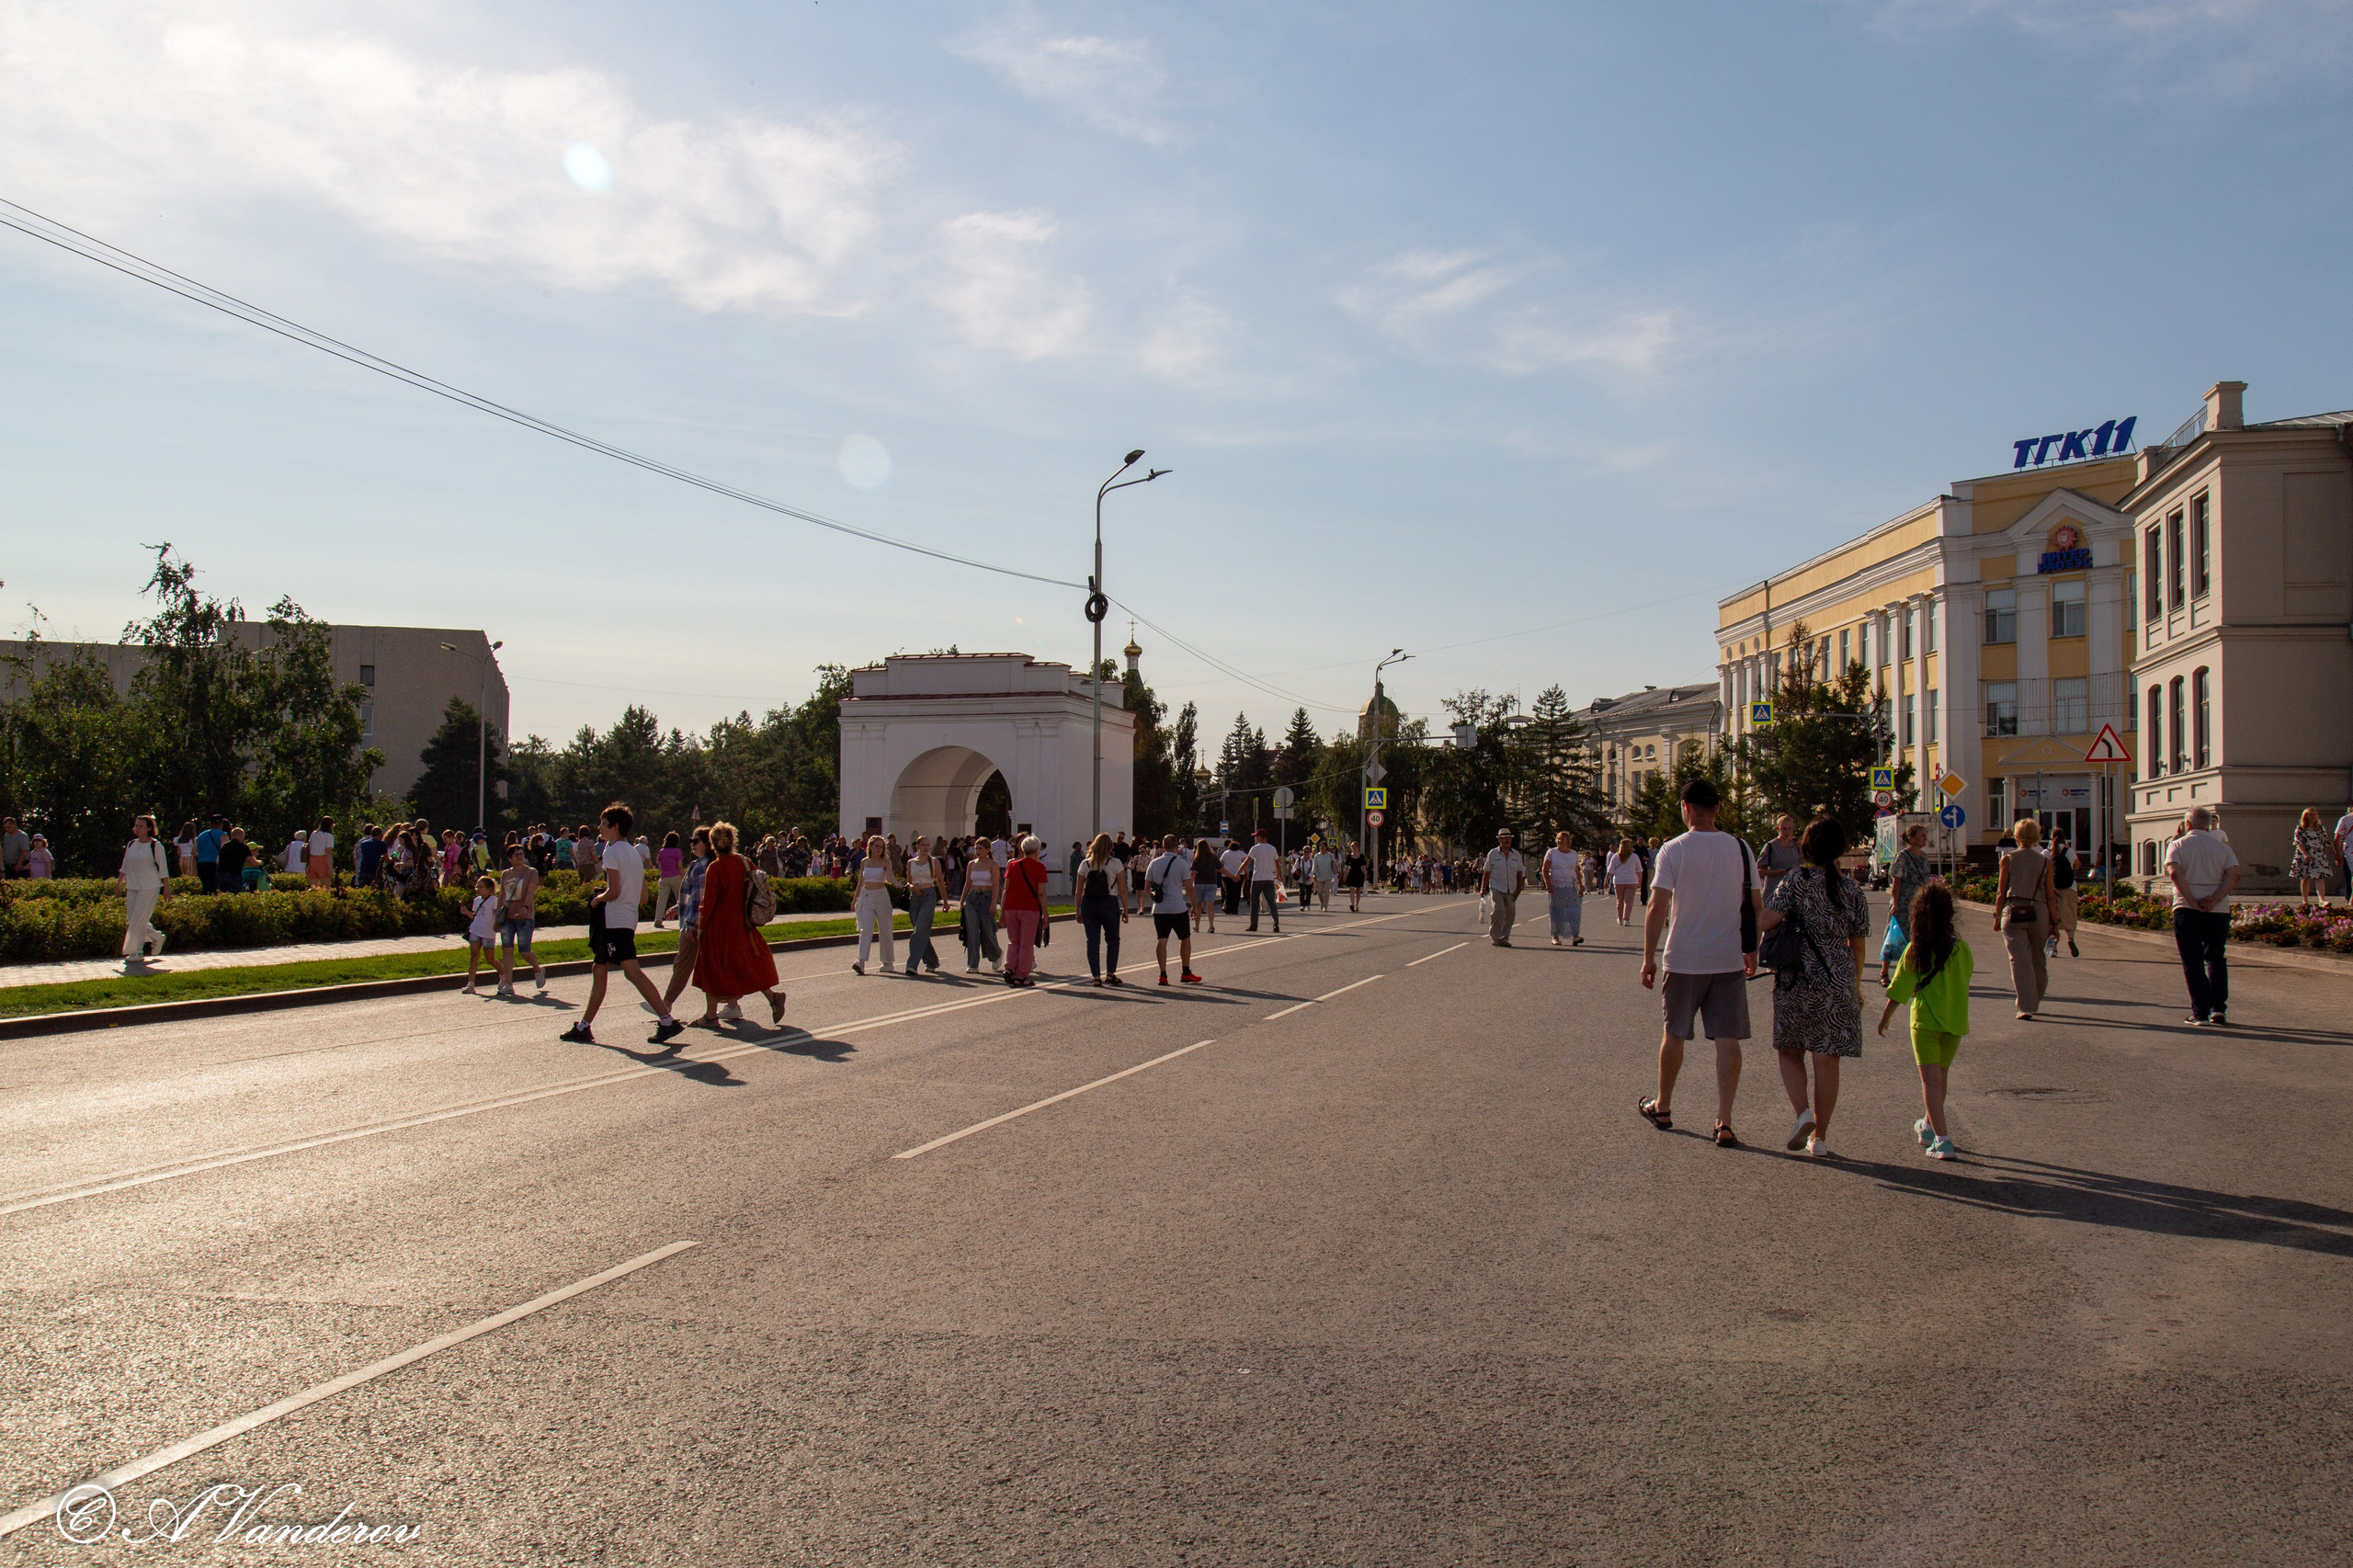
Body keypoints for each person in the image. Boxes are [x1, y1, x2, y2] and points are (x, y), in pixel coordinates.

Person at [1638, 778, 1760, 1149]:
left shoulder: (1672, 849)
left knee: (1674, 1032)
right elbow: (1754, 904)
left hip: (1684, 958)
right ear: (1718, 808)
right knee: (1728, 1039)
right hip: (1728, 957)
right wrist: (1752, 948)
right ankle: (1724, 1121)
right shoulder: (1740, 848)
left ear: (1686, 807)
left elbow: (1657, 905)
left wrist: (1648, 957)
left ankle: (1663, 1106)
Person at [1760, 816, 1870, 1158]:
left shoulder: (1796, 880)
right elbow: (1859, 946)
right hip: (1837, 983)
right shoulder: (1853, 890)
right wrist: (1855, 986)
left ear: (1806, 847)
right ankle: (1819, 1138)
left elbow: (1766, 921)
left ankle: (1803, 1113)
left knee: (1790, 1050)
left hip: (1797, 979)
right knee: (1827, 1060)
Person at [558, 803, 682, 1047]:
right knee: (599, 968)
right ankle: (584, 1026)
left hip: (614, 921)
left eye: (603, 824)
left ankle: (667, 1020)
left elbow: (613, 891)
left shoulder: (612, 852)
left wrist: (597, 899)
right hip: (627, 919)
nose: (599, 828)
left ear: (615, 827)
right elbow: (644, 897)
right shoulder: (634, 853)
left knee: (631, 971)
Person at [1879, 882, 1972, 1162]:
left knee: (1930, 1083)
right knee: (1940, 1079)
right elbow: (1964, 980)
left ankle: (1943, 1140)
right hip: (1954, 1022)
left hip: (1925, 1024)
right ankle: (1929, 1126)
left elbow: (1899, 990)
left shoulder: (1915, 951)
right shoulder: (1962, 949)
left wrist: (1885, 1018)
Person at [688, 822, 789, 1028]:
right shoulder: (744, 862)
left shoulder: (715, 867)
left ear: (712, 844)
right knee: (747, 964)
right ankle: (772, 997)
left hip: (720, 926)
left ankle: (711, 1016)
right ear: (732, 840)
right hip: (743, 923)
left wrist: (701, 927)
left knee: (712, 968)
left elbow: (709, 903)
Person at [2167, 806, 2241, 1027]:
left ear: (2187, 824)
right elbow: (2234, 874)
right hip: (2218, 910)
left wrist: (2191, 900)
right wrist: (2214, 899)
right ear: (2209, 824)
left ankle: (2200, 1012)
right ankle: (2218, 1009)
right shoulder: (2223, 848)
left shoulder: (2177, 845)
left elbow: (2174, 873)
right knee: (2216, 958)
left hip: (2186, 908)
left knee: (2192, 960)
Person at [1990, 818, 2058, 1020]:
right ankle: (2034, 997)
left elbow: (2001, 892)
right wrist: (2055, 922)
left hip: (2013, 910)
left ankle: (2025, 1006)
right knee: (2038, 957)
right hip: (2039, 912)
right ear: (2037, 836)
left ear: (2017, 836)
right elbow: (2050, 895)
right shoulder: (2045, 862)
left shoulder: (2008, 859)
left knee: (2018, 960)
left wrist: (1996, 917)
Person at [657, 827, 714, 1019]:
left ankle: (665, 1005)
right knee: (708, 966)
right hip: (698, 922)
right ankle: (732, 1003)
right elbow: (693, 894)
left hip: (694, 925)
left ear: (706, 844)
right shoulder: (700, 864)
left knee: (682, 964)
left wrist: (691, 925)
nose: (691, 844)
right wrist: (677, 907)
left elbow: (700, 898)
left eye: (695, 841)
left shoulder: (703, 865)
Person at [1145, 834, 1204, 984]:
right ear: (1177, 846)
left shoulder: (1154, 863)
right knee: (1185, 938)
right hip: (1178, 907)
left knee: (1162, 940)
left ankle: (1163, 975)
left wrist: (1155, 898)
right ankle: (1186, 972)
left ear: (1163, 847)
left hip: (1159, 909)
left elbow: (1147, 887)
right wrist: (1194, 906)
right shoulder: (1181, 864)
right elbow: (1189, 888)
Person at [1880, 824, 1934, 985]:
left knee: (1918, 936)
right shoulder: (1903, 856)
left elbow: (1927, 880)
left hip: (1920, 902)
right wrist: (1895, 903)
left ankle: (1914, 972)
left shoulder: (1924, 857)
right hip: (1904, 901)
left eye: (1925, 835)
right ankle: (1884, 972)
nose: (1925, 838)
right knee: (1894, 936)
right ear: (1911, 838)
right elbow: (1896, 881)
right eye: (1922, 835)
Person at [1076, 833, 1130, 986]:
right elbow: (1123, 889)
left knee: (1092, 942)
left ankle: (1096, 977)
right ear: (1110, 848)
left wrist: (1077, 910)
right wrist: (1125, 909)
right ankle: (1110, 973)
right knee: (1113, 939)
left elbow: (1078, 891)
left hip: (1089, 904)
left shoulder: (1085, 864)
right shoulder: (1116, 863)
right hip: (1109, 904)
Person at [119, 813, 172, 960]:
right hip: (133, 885)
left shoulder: (155, 845)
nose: (137, 828)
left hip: (150, 886)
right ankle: (157, 937)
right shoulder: (131, 844)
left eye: (141, 826)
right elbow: (125, 866)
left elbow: (163, 868)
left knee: (139, 919)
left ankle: (136, 952)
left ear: (149, 828)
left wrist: (166, 888)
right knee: (133, 918)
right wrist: (119, 884)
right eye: (136, 825)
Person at [1001, 835, 1051, 987]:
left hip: (1011, 908)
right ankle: (1021, 975)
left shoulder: (1013, 865)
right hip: (1029, 909)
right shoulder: (1039, 867)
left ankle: (1010, 967)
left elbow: (1006, 890)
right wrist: (1045, 914)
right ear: (1036, 850)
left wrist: (1002, 911)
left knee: (1014, 941)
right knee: (1026, 944)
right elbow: (1041, 893)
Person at [495, 842, 546, 996]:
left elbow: (531, 892)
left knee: (524, 950)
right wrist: (497, 917)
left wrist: (525, 907)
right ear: (510, 858)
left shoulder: (531, 872)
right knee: (507, 949)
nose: (519, 857)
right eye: (516, 854)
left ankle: (538, 969)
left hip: (525, 917)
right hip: (507, 917)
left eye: (521, 854)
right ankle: (509, 984)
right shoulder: (506, 874)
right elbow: (502, 895)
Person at [851, 833, 900, 976]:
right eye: (876, 846)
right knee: (865, 930)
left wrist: (896, 883)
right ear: (870, 847)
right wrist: (855, 900)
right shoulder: (864, 862)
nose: (879, 849)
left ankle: (887, 962)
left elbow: (890, 876)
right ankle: (861, 961)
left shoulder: (885, 862)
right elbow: (861, 882)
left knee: (885, 930)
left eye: (881, 847)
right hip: (867, 897)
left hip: (882, 897)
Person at [904, 835, 948, 976]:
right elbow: (908, 882)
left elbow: (940, 881)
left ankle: (912, 965)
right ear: (917, 846)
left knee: (919, 930)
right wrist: (912, 887)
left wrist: (945, 902)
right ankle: (932, 961)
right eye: (923, 845)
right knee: (920, 931)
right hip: (915, 897)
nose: (926, 848)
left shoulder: (934, 862)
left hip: (928, 896)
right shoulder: (911, 862)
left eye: (928, 845)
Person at [961, 841, 1004, 974]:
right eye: (976, 848)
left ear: (987, 849)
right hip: (972, 898)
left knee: (988, 930)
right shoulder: (971, 864)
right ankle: (973, 964)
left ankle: (996, 954)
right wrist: (962, 901)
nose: (978, 851)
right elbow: (968, 883)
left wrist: (994, 903)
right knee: (972, 932)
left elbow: (996, 885)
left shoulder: (993, 865)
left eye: (980, 848)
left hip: (986, 898)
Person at [1481, 829, 1526, 947]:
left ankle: (1504, 937)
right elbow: (1487, 871)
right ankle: (1495, 937)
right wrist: (1483, 887)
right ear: (1499, 840)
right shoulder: (1493, 854)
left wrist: (1519, 889)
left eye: (1509, 838)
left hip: (1511, 888)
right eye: (1505, 838)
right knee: (1498, 910)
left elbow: (1519, 872)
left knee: (1510, 913)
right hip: (1496, 887)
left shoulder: (1516, 855)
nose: (1507, 840)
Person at [1542, 831, 1585, 948]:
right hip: (1556, 886)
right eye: (1559, 838)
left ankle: (1575, 935)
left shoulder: (1573, 854)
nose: (1560, 841)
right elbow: (1545, 869)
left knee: (1574, 911)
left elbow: (1577, 871)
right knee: (1556, 911)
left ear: (1568, 841)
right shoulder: (1551, 852)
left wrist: (1580, 887)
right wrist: (1548, 884)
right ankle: (1555, 936)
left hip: (1570, 886)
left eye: (1563, 839)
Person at [2290, 808, 2335, 911]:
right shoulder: (2300, 828)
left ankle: (2322, 900)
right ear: (2306, 816)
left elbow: (2326, 841)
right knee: (2305, 878)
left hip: (2318, 855)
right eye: (2311, 814)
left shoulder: (2320, 827)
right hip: (2305, 855)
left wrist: (2336, 854)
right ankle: (2305, 901)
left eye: (2314, 814)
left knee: (2320, 878)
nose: (2313, 816)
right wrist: (2305, 854)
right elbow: (2298, 842)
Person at [462, 874, 500, 994]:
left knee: (490, 959)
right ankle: (471, 984)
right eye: (477, 886)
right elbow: (476, 916)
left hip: (488, 932)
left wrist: (498, 925)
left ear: (489, 889)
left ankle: (503, 975)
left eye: (481, 887)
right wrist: (466, 912)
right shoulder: (477, 900)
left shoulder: (494, 901)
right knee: (474, 955)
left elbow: (497, 915)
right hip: (476, 930)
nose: (478, 889)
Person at [2047, 832, 2080, 959]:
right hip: (2070, 887)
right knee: (2070, 915)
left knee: (2053, 919)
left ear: (2051, 839)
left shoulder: (2046, 853)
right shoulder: (2069, 851)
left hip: (2053, 888)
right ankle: (2071, 939)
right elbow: (2077, 865)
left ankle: (2053, 947)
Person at [1756, 815, 1802, 903]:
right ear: (1778, 829)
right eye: (1784, 829)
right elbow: (1758, 870)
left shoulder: (1796, 846)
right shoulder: (1770, 846)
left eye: (1790, 828)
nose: (1787, 832)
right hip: (1773, 892)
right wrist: (1776, 872)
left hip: (1791, 891)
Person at [1244, 828, 1282, 933]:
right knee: (1272, 903)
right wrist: (1278, 875)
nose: (1256, 838)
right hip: (1269, 879)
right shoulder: (1272, 848)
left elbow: (1247, 862)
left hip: (1257, 879)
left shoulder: (1255, 848)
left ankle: (1254, 925)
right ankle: (1276, 925)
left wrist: (1237, 873)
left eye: (1257, 836)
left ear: (1260, 837)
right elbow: (1277, 864)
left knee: (1254, 903)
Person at [652, 832, 686, 928]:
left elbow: (660, 867)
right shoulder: (677, 851)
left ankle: (658, 920)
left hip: (664, 877)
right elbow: (680, 866)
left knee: (661, 899)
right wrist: (684, 877)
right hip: (676, 876)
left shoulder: (662, 852)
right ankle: (682, 919)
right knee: (680, 898)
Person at [1608, 837, 1643, 926]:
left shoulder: (1616, 856)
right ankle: (1626, 919)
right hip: (1631, 880)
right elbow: (1639, 870)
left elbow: (1610, 870)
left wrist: (1606, 880)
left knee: (1619, 900)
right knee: (1629, 901)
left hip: (1619, 881)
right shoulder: (1634, 857)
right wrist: (1640, 880)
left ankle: (1620, 919)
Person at [1191, 839, 1222, 934]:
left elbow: (1193, 873)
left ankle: (1197, 926)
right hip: (1211, 883)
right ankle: (1211, 925)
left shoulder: (1196, 858)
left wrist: (1189, 885)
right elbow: (1221, 869)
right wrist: (1233, 876)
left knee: (1198, 905)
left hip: (1199, 884)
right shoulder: (1213, 857)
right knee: (1209, 905)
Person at [194, 815, 227, 894]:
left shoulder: (201, 835)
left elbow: (193, 852)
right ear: (221, 824)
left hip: (201, 864)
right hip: (214, 864)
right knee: (214, 888)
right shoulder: (223, 835)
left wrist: (201, 857)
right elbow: (224, 851)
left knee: (205, 887)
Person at [306, 816, 335, 888]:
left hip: (312, 859)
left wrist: (308, 864)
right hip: (323, 859)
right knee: (326, 885)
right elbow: (328, 852)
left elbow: (309, 848)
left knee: (313, 885)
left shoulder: (314, 834)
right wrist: (330, 867)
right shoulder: (329, 836)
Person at [355, 824, 385, 890]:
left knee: (362, 889)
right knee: (376, 889)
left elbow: (356, 855)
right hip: (375, 870)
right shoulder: (382, 844)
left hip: (363, 869)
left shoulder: (363, 843)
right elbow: (385, 857)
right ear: (381, 835)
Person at [1343, 840, 1368, 913]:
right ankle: (1352, 904)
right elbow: (1346, 867)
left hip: (1359, 874)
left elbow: (1363, 866)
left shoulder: (1361, 856)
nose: (1354, 848)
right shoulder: (1349, 856)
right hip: (1352, 874)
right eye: (1352, 846)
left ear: (1358, 847)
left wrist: (1365, 875)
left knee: (1358, 890)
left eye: (1355, 846)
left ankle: (1357, 905)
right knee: (1351, 889)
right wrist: (1345, 875)